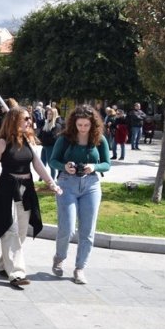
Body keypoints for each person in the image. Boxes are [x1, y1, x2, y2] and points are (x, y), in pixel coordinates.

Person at [0, 107, 62, 289]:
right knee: (9, 229)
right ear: (14, 120)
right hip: (6, 189)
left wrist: (52, 183)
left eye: (29, 119)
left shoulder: (27, 141)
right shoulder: (1, 144)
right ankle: (17, 273)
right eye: (26, 118)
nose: (30, 121)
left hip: (26, 190)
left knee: (21, 232)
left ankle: (4, 265)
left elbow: (38, 165)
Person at [49, 104, 111, 285]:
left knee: (87, 230)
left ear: (93, 124)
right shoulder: (65, 139)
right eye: (79, 125)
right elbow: (52, 160)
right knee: (67, 227)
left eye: (86, 125)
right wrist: (64, 166)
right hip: (67, 184)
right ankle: (59, 257)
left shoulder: (99, 139)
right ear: (73, 123)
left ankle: (80, 268)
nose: (83, 129)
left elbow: (107, 164)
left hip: (91, 185)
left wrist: (94, 167)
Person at [38, 106, 64, 178]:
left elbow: (53, 137)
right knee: (42, 163)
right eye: (48, 114)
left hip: (51, 147)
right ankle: (41, 178)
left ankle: (53, 179)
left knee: (51, 164)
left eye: (51, 114)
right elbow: (40, 134)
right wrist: (40, 139)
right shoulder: (46, 123)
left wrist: (44, 137)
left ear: (54, 115)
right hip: (45, 146)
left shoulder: (56, 125)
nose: (48, 115)